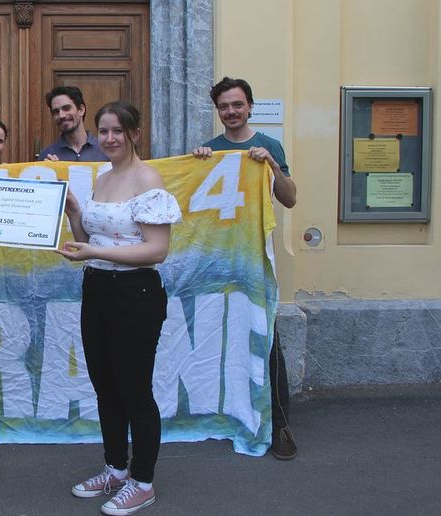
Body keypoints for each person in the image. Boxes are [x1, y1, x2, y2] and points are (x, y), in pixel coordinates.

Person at [58, 101, 181, 515]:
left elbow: (157, 250)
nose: (110, 139)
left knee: (135, 391)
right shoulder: (104, 178)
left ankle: (142, 482)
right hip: (97, 289)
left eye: (117, 131)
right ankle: (115, 468)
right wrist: (76, 215)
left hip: (135, 294)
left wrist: (93, 250)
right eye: (104, 131)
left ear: (134, 134)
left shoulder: (148, 179)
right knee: (105, 387)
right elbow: (88, 241)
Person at [192, 76, 298, 460]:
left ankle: (280, 424)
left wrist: (271, 165)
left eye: (237, 104)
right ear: (217, 111)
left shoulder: (269, 145)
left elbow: (290, 198)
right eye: (224, 106)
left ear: (250, 106)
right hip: (218, 263)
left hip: (254, 261)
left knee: (266, 340)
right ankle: (230, 414)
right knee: (220, 339)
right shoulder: (211, 150)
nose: (231, 111)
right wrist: (196, 165)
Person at [39, 85, 108, 162]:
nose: (61, 115)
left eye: (66, 108)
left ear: (81, 110)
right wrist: (49, 168)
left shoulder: (105, 150)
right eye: (56, 112)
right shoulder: (47, 155)